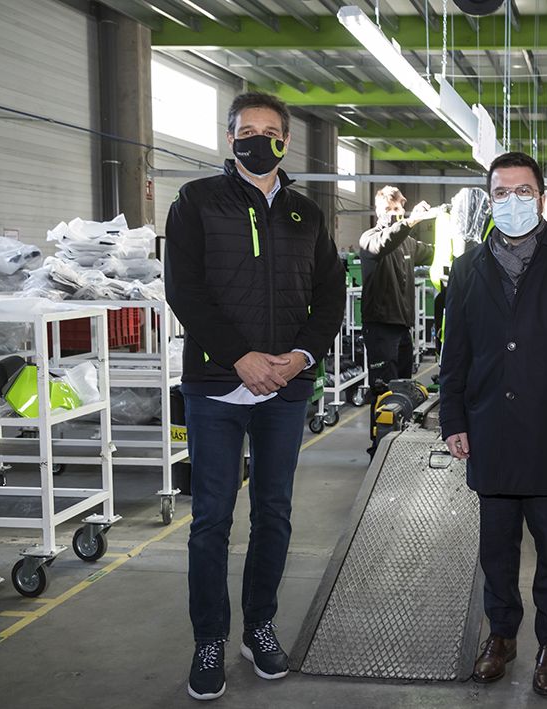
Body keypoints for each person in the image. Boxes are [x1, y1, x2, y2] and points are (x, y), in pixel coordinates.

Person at [165, 91, 346, 702]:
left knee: (275, 513)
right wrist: (238, 358)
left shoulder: (308, 215)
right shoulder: (196, 202)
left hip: (285, 389)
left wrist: (299, 358)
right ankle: (209, 638)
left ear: (286, 142)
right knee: (211, 519)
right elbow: (184, 290)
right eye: (247, 130)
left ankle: (259, 627)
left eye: (270, 131)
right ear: (230, 138)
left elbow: (330, 297)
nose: (258, 139)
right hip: (218, 387)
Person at [439, 151, 547, 697]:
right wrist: (452, 416)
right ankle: (503, 636)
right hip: (490, 426)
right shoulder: (468, 268)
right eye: (501, 192)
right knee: (496, 548)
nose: (511, 201)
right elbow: (455, 354)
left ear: (539, 197)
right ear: (490, 200)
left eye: (522, 191)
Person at [358, 187, 434, 407]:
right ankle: (378, 440)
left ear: (403, 208)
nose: (392, 212)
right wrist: (411, 221)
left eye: (397, 208)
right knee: (385, 391)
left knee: (404, 388)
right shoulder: (370, 239)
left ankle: (397, 437)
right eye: (387, 209)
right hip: (381, 328)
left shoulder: (408, 243)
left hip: (402, 328)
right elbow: (387, 240)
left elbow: (433, 252)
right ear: (377, 210)